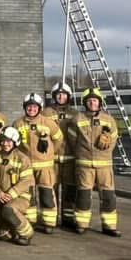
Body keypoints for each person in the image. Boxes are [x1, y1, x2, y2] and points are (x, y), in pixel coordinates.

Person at [69, 88, 120, 236]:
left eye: (95, 100)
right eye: (89, 101)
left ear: (100, 102)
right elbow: (73, 140)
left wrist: (106, 147)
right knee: (84, 195)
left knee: (108, 196)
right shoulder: (78, 119)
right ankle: (81, 224)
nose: (92, 103)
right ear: (85, 103)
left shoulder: (109, 120)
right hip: (84, 164)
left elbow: (113, 140)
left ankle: (109, 226)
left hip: (104, 166)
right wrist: (82, 153)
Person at [13, 92, 63, 233]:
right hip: (26, 167)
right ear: (25, 107)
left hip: (45, 166)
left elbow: (58, 139)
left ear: (39, 108)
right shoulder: (18, 124)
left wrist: (49, 153)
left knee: (46, 193)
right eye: (29, 107)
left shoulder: (48, 123)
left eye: (34, 107)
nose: (32, 109)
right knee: (29, 195)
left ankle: (49, 223)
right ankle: (31, 221)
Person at [0, 126, 35, 246]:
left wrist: (11, 194)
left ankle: (26, 233)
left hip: (19, 198)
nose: (5, 144)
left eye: (9, 141)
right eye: (3, 141)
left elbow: (26, 181)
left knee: (8, 210)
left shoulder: (23, 159)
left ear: (15, 142)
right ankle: (7, 229)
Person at [44, 81, 78, 228]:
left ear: (68, 96)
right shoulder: (46, 113)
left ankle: (68, 218)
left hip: (70, 159)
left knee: (69, 189)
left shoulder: (75, 114)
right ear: (54, 96)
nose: (61, 97)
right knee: (51, 189)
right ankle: (51, 219)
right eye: (58, 95)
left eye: (64, 95)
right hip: (51, 159)